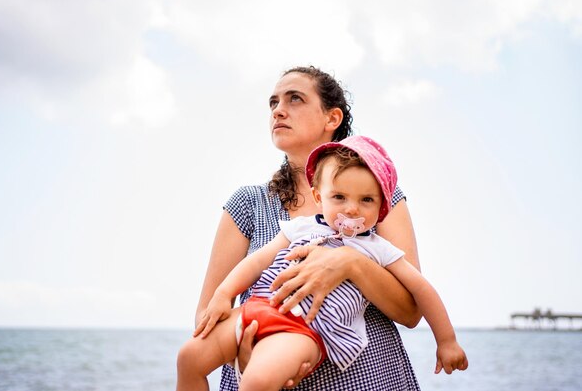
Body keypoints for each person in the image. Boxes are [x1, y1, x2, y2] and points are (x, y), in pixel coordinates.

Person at [176, 136, 468, 391]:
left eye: (366, 200)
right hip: (260, 307)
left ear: (381, 208)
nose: (352, 208)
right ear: (319, 197)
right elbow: (255, 263)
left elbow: (421, 289)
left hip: (306, 330)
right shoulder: (301, 227)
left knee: (257, 383)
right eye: (339, 197)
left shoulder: (378, 248)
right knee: (188, 359)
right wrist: (224, 294)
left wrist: (446, 340)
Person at [195, 66, 423, 390]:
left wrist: (350, 263)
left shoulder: (381, 197)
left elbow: (412, 310)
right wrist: (243, 358)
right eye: (273, 102)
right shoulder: (247, 204)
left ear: (332, 118)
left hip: (367, 380)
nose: (279, 110)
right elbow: (206, 314)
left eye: (295, 99)